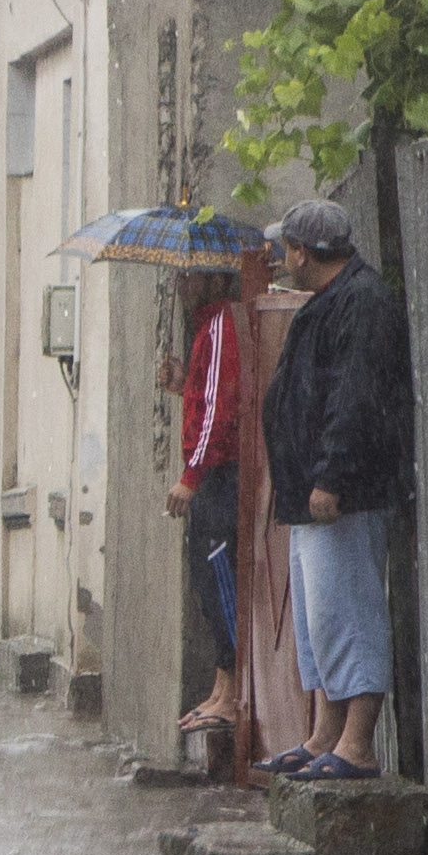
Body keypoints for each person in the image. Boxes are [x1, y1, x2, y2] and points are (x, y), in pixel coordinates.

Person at [254, 198, 413, 782]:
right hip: (312, 497)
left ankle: (357, 746)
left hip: (342, 496)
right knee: (319, 619)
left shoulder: (363, 303)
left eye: (285, 247)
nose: (281, 257)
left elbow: (356, 399)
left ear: (302, 251)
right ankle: (324, 734)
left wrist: (331, 477)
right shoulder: (330, 302)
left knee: (349, 612)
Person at [160, 260, 251, 735]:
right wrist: (183, 384)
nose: (181, 285)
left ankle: (234, 692)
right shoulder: (205, 331)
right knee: (205, 577)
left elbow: (221, 410)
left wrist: (191, 476)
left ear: (216, 280)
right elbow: (206, 398)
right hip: (211, 473)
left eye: (190, 276)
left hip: (219, 474)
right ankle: (220, 689)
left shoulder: (219, 326)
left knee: (220, 579)